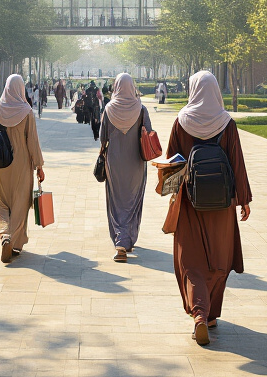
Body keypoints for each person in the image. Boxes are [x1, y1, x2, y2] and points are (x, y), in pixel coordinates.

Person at [163, 71, 252, 346]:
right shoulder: (227, 124)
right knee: (218, 260)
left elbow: (171, 165)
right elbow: (236, 162)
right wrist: (244, 200)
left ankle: (200, 315)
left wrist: (171, 193)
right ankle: (210, 314)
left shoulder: (181, 122)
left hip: (191, 203)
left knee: (192, 262)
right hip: (222, 205)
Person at [0, 75, 46, 263]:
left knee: (2, 202)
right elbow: (32, 141)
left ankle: (4, 235)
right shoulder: (26, 111)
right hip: (21, 164)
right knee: (20, 203)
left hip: (0, 163)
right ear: (21, 89)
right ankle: (15, 242)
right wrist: (39, 166)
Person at [100, 73, 151, 263]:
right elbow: (149, 133)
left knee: (116, 200)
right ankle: (126, 239)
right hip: (136, 162)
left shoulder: (109, 109)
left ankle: (120, 240)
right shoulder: (141, 109)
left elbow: (102, 137)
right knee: (132, 199)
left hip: (114, 163)